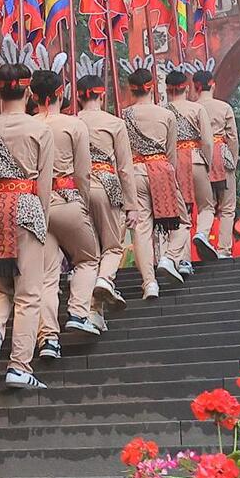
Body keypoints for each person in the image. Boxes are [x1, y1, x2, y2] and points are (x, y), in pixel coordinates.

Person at [0, 49, 55, 390]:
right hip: (25, 207)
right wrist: (42, 221)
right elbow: (45, 186)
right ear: (29, 91)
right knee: (28, 292)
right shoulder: (39, 129)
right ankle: (20, 364)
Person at [29, 63, 104, 346]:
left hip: (36, 205)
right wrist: (82, 203)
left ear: (33, 96)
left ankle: (48, 338)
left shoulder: (29, 126)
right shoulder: (75, 125)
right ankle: (78, 311)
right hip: (67, 199)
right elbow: (83, 173)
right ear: (62, 93)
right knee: (88, 258)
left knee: (47, 275)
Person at [72, 59, 134, 312]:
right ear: (102, 94)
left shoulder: (72, 122)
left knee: (87, 254)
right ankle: (105, 279)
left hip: (76, 190)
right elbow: (125, 168)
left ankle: (88, 309)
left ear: (77, 97)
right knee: (112, 247)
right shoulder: (114, 123)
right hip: (107, 186)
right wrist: (132, 205)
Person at [121, 65, 186, 289]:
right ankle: (170, 257)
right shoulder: (167, 114)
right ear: (152, 88)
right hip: (161, 170)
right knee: (183, 221)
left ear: (131, 90)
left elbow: (123, 152)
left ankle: (149, 283)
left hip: (136, 171)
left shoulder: (125, 116)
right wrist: (172, 178)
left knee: (141, 229)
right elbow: (171, 153)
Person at [164, 69, 211, 271]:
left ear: (167, 89)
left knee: (181, 215)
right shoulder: (197, 108)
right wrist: (206, 163)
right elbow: (208, 142)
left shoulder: (163, 111)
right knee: (206, 206)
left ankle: (183, 261)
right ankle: (202, 233)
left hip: (172, 164)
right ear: (187, 87)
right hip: (195, 158)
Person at [192, 65, 240, 257]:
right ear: (213, 85)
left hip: (200, 158)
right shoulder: (224, 107)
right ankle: (223, 249)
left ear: (195, 87)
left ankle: (202, 233)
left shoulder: (193, 109)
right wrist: (233, 161)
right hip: (222, 154)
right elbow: (233, 138)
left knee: (207, 205)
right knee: (227, 207)